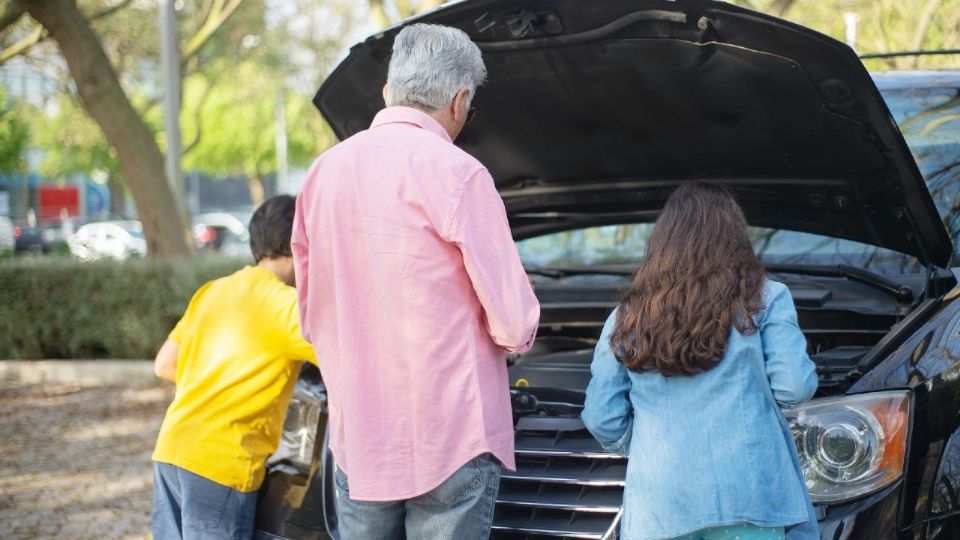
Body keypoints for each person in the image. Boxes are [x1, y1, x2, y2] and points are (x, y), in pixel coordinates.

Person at [292, 23, 540, 540]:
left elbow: (311, 316)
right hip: (451, 436)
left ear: (387, 93)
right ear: (461, 100)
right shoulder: (459, 174)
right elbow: (514, 325)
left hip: (360, 435)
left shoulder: (322, 174)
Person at [581, 182, 819, 540]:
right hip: (749, 498)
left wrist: (649, 443)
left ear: (663, 243)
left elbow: (602, 417)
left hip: (659, 509)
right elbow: (795, 388)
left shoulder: (626, 316)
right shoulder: (767, 298)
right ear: (735, 238)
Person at [151, 195, 317, 540]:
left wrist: (219, 379)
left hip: (172, 450)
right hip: (221, 463)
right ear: (301, 242)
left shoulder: (213, 290)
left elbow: (165, 364)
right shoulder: (288, 307)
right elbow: (348, 360)